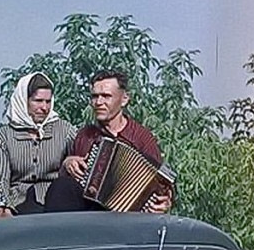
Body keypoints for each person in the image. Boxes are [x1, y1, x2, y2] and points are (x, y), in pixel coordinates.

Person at [45, 70, 172, 213]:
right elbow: (73, 186)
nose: (99, 102)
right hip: (89, 213)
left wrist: (165, 201)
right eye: (94, 96)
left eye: (106, 96)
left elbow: (162, 183)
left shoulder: (141, 138)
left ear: (124, 99)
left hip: (129, 216)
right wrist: (67, 164)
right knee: (61, 186)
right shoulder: (85, 135)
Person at [0, 72, 77, 214]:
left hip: (57, 202)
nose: (44, 107)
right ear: (24, 100)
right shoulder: (5, 135)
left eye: (48, 102)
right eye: (38, 101)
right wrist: (5, 208)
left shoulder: (65, 130)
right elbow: (1, 180)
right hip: (18, 204)